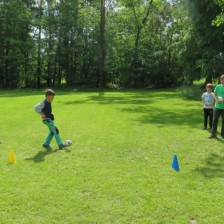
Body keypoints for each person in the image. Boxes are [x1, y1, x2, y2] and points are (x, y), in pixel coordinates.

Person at [209, 74, 224, 138]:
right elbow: (214, 95)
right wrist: (216, 100)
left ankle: (223, 134)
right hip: (217, 107)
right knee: (215, 120)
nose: (223, 81)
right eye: (222, 80)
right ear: (221, 80)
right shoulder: (218, 86)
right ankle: (213, 134)